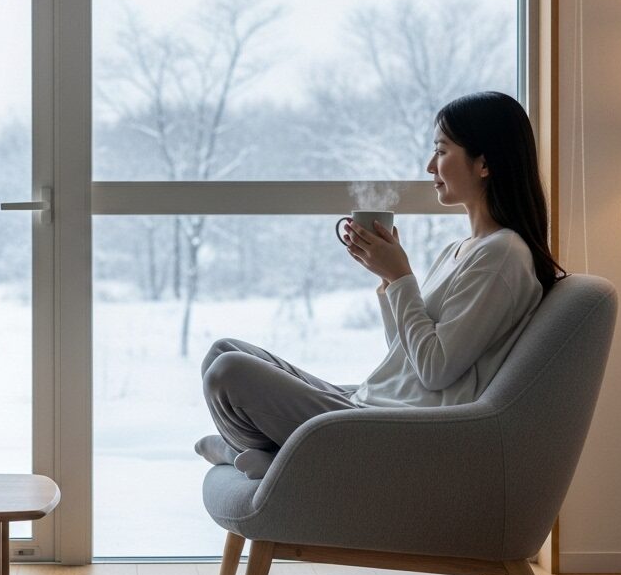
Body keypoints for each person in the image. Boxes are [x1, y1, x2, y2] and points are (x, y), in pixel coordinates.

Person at [195, 91, 564, 479]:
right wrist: (389, 280)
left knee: (229, 372)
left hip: (397, 428)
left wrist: (403, 277)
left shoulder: (502, 255)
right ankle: (265, 457)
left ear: (484, 162)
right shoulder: (462, 249)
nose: (429, 166)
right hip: (370, 403)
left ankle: (258, 455)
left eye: (441, 151)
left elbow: (436, 370)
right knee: (222, 351)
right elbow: (405, 354)